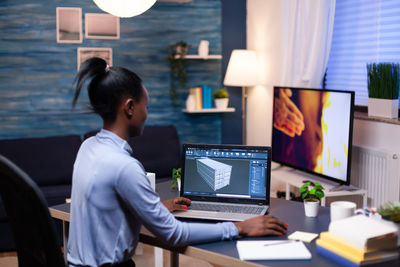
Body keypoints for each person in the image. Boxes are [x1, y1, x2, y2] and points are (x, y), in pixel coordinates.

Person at [67, 57, 288, 267]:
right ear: (130, 107)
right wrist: (239, 227)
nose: (147, 114)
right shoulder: (124, 166)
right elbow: (174, 234)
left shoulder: (88, 147)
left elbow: (110, 210)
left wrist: (160, 208)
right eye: (147, 106)